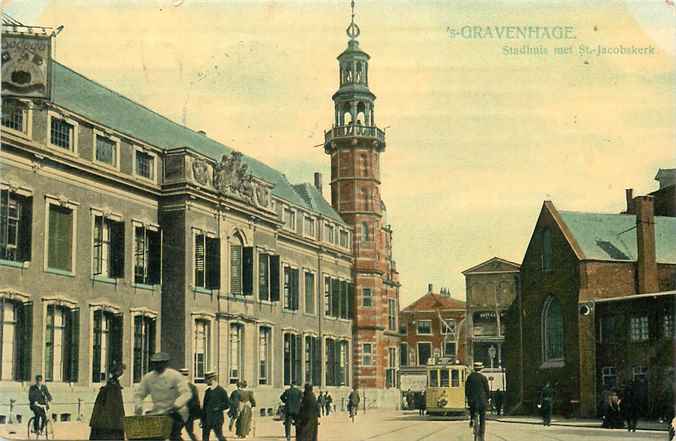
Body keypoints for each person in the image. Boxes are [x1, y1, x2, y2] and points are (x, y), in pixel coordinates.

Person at [134, 352, 192, 441]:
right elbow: (139, 394)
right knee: (152, 436)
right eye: (155, 363)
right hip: (158, 411)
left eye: (161, 363)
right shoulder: (148, 377)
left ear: (166, 363)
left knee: (174, 435)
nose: (158, 365)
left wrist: (176, 405)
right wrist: (138, 406)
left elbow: (186, 393)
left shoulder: (175, 375)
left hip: (176, 412)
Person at [89, 361, 126, 440]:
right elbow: (116, 409)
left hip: (102, 423)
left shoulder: (107, 387)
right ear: (120, 375)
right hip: (110, 426)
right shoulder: (114, 389)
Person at [201, 371, 230, 441]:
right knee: (205, 438)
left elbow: (227, 404)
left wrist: (217, 407)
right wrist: (202, 420)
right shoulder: (207, 391)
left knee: (219, 437)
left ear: (211, 380)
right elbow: (204, 407)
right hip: (206, 419)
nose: (205, 382)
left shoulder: (221, 391)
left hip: (216, 419)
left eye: (206, 380)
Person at [465, 362, 489, 440]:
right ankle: (481, 437)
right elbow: (487, 390)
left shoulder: (470, 377)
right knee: (482, 419)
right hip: (482, 401)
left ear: (474, 368)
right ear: (481, 369)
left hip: (472, 401)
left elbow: (467, 390)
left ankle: (472, 419)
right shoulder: (483, 378)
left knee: (472, 410)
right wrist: (488, 398)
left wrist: (468, 397)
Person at [179, 368, 201, 441]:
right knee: (190, 432)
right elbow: (197, 402)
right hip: (190, 415)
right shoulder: (193, 387)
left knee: (174, 434)